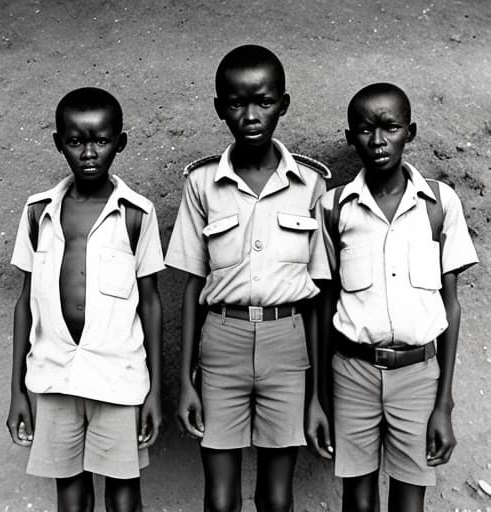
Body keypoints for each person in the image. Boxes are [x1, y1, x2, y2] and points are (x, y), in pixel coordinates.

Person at [165, 44, 333, 512]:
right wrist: (185, 381)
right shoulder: (201, 184)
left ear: (283, 103)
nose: (251, 115)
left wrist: (316, 394)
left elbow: (317, 297)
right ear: (220, 108)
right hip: (222, 342)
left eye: (262, 101)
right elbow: (193, 287)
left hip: (287, 341)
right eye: (236, 104)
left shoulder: (311, 185)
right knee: (220, 500)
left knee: (276, 499)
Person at [319, 82, 479, 512]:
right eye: (365, 129)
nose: (377, 140)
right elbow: (325, 304)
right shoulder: (334, 209)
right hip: (352, 373)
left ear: (410, 131)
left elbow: (451, 307)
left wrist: (444, 403)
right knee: (359, 500)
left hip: (418, 376)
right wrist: (321, 396)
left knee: (410, 503)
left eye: (390, 127)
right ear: (350, 137)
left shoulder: (439, 204)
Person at [7, 87, 165, 512]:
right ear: (59, 143)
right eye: (76, 142)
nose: (89, 153)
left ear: (120, 142)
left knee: (123, 494)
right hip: (55, 377)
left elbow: (150, 304)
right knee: (71, 496)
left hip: (118, 379)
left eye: (101, 140)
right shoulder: (38, 212)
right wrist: (17, 393)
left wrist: (153, 393)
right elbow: (25, 302)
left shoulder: (138, 214)